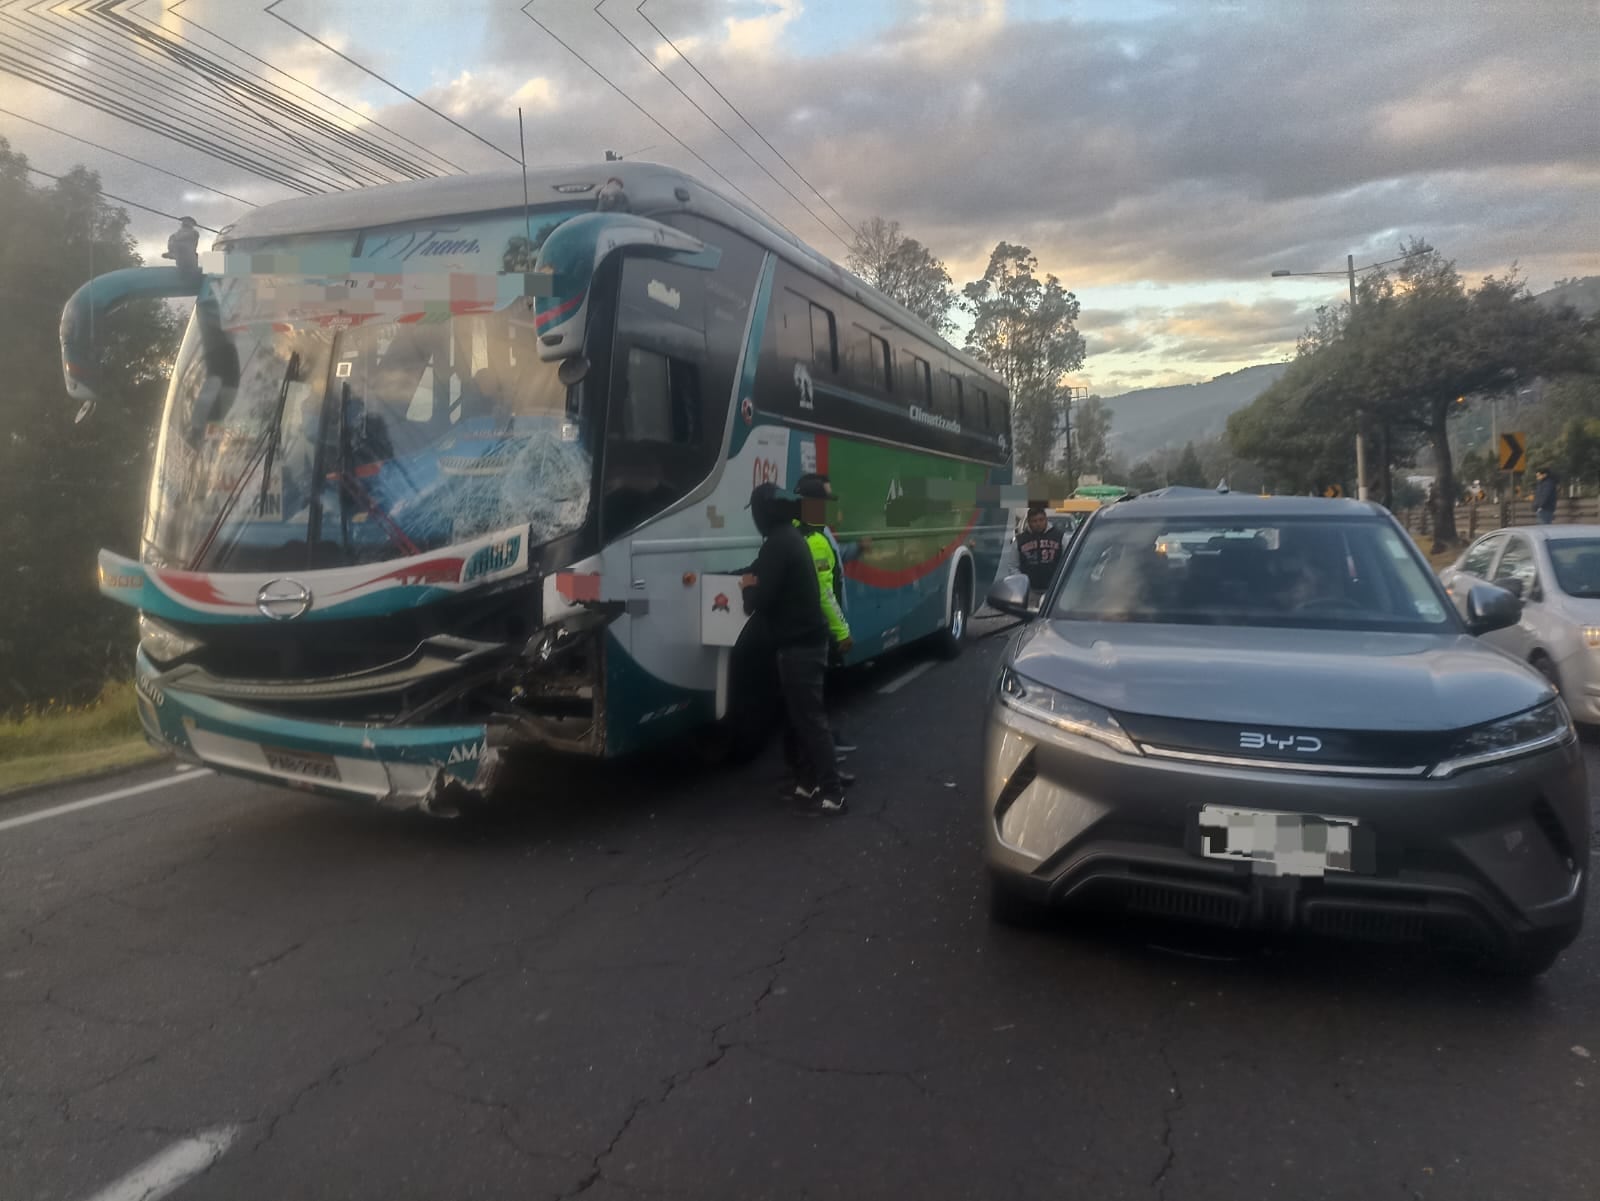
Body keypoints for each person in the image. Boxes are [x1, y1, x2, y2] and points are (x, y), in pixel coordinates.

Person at [741, 483, 847, 816]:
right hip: (807, 643)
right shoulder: (789, 538)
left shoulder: (778, 544)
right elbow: (762, 572)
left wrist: (746, 590)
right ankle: (808, 784)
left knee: (810, 721)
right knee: (800, 719)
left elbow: (760, 599)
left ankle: (834, 793)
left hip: (799, 647)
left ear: (763, 512)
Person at [794, 473, 859, 757]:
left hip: (811, 630)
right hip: (821, 629)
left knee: (812, 698)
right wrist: (841, 631)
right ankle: (825, 765)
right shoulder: (814, 537)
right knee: (817, 696)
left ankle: (816, 758)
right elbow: (823, 592)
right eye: (824, 500)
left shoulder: (809, 532)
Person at [1013, 504, 1066, 605]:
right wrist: (1022, 584)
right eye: (1034, 521)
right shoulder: (1020, 541)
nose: (1038, 524)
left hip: (1054, 590)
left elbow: (1067, 561)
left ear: (1046, 519)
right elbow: (1013, 566)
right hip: (1030, 591)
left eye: (1041, 520)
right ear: (1029, 522)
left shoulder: (1060, 537)